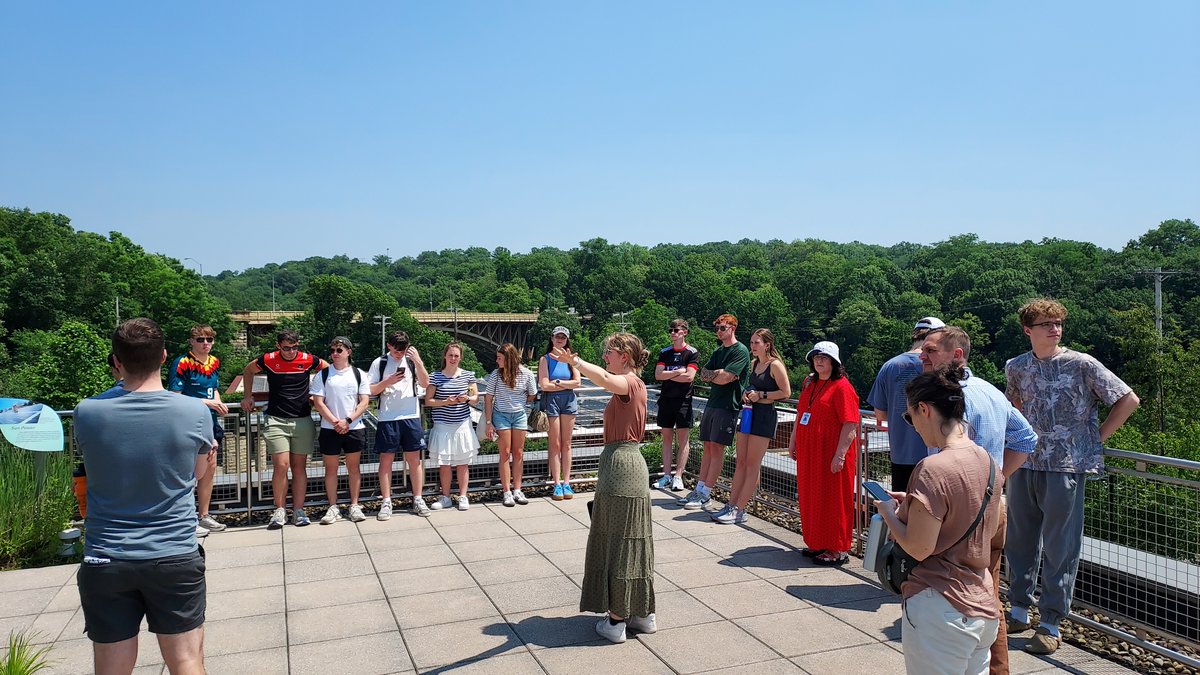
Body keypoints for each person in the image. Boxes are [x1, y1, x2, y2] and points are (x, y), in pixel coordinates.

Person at [75, 318, 215, 675]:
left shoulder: (87, 412)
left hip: (106, 556)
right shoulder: (195, 412)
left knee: (112, 668)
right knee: (185, 659)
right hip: (173, 552)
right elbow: (196, 476)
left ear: (116, 361)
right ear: (164, 356)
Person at [1004, 299, 1139, 654]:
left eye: (1059, 323)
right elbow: (1013, 410)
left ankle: (1050, 622)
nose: (1055, 329)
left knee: (1062, 546)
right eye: (1046, 323)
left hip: (1066, 466)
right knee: (1019, 539)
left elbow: (1128, 399)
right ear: (1028, 330)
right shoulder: (1016, 367)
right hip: (1025, 463)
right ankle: (1018, 609)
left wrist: (1096, 440)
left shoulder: (1082, 364)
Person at [918, 325, 1039, 675]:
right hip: (992, 508)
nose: (922, 356)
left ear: (957, 355)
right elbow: (1026, 439)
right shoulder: (989, 390)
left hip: (959, 514)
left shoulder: (955, 398)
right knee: (986, 592)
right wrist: (996, 480)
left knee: (957, 593)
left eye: (930, 350)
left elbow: (952, 458)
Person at [874, 366, 1004, 675]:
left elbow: (919, 548)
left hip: (940, 605)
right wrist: (917, 508)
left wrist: (889, 513)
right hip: (982, 604)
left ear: (923, 409)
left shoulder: (932, 468)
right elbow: (987, 521)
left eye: (910, 417)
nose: (913, 426)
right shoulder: (987, 462)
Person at [551, 333, 655, 644]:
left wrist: (576, 363)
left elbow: (608, 380)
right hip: (627, 464)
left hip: (621, 464)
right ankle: (640, 613)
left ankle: (616, 620)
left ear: (624, 355)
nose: (606, 355)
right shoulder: (633, 385)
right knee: (633, 538)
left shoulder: (630, 383)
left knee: (618, 540)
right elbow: (610, 379)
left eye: (609, 351)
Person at [240, 329, 329, 529]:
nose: (291, 351)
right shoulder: (269, 359)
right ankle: (279, 509)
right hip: (276, 419)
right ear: (278, 346)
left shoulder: (308, 359)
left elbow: (328, 369)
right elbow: (248, 370)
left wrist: (318, 393)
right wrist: (248, 395)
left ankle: (298, 510)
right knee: (281, 465)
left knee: (299, 468)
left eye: (294, 347)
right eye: (286, 348)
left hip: (302, 419)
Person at [712, 328, 791, 524]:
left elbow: (785, 392)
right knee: (741, 462)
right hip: (748, 413)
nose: (753, 346)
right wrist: (747, 394)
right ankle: (731, 504)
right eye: (752, 342)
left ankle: (740, 509)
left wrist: (762, 396)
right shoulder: (754, 364)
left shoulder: (775, 365)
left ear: (767, 345)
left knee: (752, 464)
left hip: (764, 416)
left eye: (757, 342)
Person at [791, 341, 859, 566]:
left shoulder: (842, 387)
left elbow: (850, 424)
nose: (819, 360)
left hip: (831, 452)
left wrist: (840, 455)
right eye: (816, 356)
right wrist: (793, 441)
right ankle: (818, 541)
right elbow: (801, 413)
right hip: (810, 452)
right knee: (812, 495)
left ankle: (837, 548)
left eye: (824, 357)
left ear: (834, 361)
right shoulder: (809, 383)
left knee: (834, 498)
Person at [680, 314, 750, 510]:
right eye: (717, 328)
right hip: (713, 403)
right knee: (708, 447)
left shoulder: (741, 351)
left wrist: (718, 374)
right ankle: (699, 488)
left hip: (728, 405)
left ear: (733, 328)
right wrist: (718, 374)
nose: (719, 331)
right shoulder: (719, 351)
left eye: (723, 328)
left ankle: (706, 493)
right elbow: (704, 374)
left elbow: (726, 378)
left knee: (717, 448)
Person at [869, 317, 945, 492]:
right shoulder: (938, 366)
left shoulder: (889, 366)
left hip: (900, 452)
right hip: (936, 454)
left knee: (903, 511)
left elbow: (880, 414)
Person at [168, 324, 228, 539]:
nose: (205, 343)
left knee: (209, 469)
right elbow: (175, 395)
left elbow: (215, 389)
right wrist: (209, 403)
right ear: (191, 341)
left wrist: (218, 403)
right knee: (190, 472)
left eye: (209, 340)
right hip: (188, 423)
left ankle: (204, 514)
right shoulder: (182, 363)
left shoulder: (214, 362)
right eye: (201, 339)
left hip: (210, 423)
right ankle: (187, 518)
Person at [368, 331, 431, 518]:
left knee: (414, 460)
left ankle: (418, 498)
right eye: (396, 352)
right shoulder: (379, 363)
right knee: (386, 461)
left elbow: (426, 383)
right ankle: (386, 501)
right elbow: (370, 390)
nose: (399, 355)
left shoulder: (411, 360)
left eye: (402, 352)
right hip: (388, 417)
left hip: (411, 415)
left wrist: (418, 361)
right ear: (389, 346)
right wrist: (387, 382)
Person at [310, 336, 371, 525]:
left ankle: (354, 504)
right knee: (331, 469)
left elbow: (364, 401)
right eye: (333, 350)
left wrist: (348, 420)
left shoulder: (359, 374)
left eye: (339, 350)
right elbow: (318, 402)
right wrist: (336, 421)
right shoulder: (323, 374)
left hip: (354, 427)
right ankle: (333, 506)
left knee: (354, 468)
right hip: (330, 428)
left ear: (348, 352)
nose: (335, 354)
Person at [425, 342, 480, 511]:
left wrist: (467, 399)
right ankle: (446, 496)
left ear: (460, 357)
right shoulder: (435, 376)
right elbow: (429, 401)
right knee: (445, 464)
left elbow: (475, 397)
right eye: (450, 355)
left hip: (462, 424)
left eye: (456, 355)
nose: (453, 358)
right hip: (442, 425)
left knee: (463, 463)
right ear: (445, 356)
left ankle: (463, 496)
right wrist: (445, 402)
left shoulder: (468, 375)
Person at [484, 342, 538, 506]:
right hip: (501, 415)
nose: (497, 361)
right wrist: (488, 421)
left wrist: (519, 401)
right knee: (505, 453)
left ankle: (517, 489)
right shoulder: (496, 374)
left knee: (519, 452)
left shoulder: (526, 374)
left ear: (509, 358)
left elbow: (532, 394)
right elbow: (488, 397)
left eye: (500, 358)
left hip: (519, 415)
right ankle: (507, 491)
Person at [653, 319, 699, 492]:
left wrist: (669, 375)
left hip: (683, 401)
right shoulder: (665, 352)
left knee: (683, 440)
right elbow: (658, 375)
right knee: (666, 438)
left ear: (684, 332)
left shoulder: (692, 352)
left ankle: (678, 476)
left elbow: (689, 377)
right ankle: (666, 475)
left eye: (676, 330)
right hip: (666, 399)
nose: (673, 333)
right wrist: (677, 372)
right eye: (671, 330)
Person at [538, 326, 581, 500]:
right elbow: (544, 385)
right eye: (557, 337)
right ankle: (557, 483)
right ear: (552, 338)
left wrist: (556, 382)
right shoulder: (545, 359)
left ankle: (567, 482)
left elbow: (577, 382)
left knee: (567, 443)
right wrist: (565, 383)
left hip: (568, 400)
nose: (560, 340)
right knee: (555, 443)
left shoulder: (571, 359)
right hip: (553, 401)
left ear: (567, 339)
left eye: (563, 337)